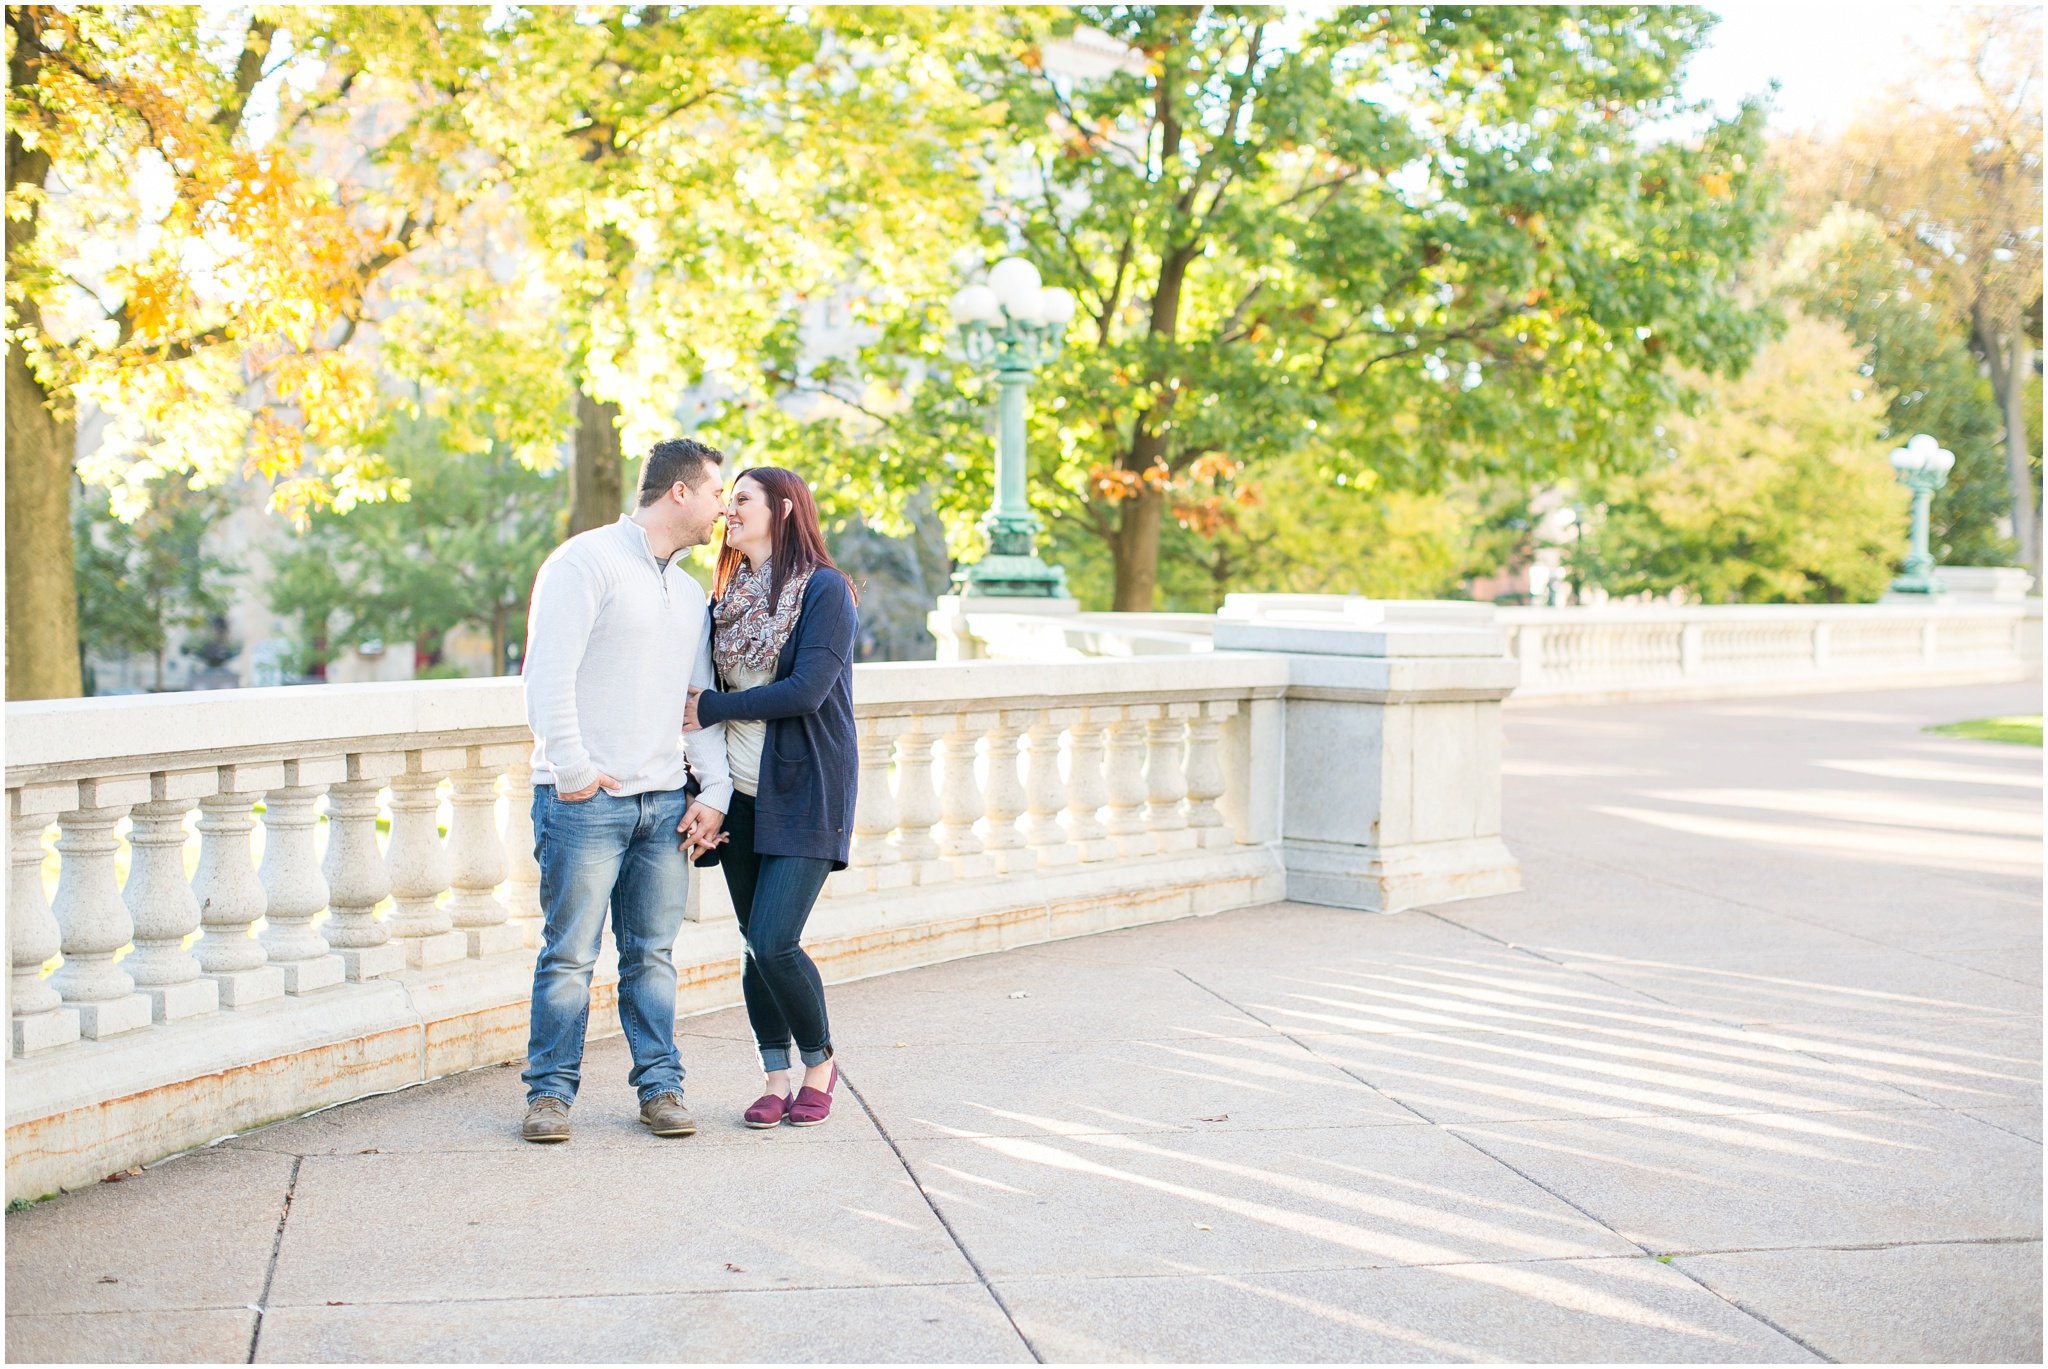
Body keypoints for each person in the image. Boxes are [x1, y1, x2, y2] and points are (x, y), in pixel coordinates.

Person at [518, 438, 733, 1144]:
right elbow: (547, 674)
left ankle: (660, 1088)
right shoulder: (586, 562)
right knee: (569, 956)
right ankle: (549, 1096)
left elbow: (694, 704)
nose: (721, 508)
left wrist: (715, 790)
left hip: (664, 801)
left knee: (652, 956)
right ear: (679, 492)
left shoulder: (689, 591)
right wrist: (573, 769)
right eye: (714, 492)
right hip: (585, 802)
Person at [683, 466, 858, 1128]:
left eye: (743, 499)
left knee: (774, 936)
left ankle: (819, 1063)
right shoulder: (724, 599)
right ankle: (775, 1074)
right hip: (739, 793)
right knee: (751, 940)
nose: (728, 510)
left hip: (807, 789)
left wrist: (714, 706)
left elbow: (807, 689)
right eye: (726, 501)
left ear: (784, 508)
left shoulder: (825, 592)